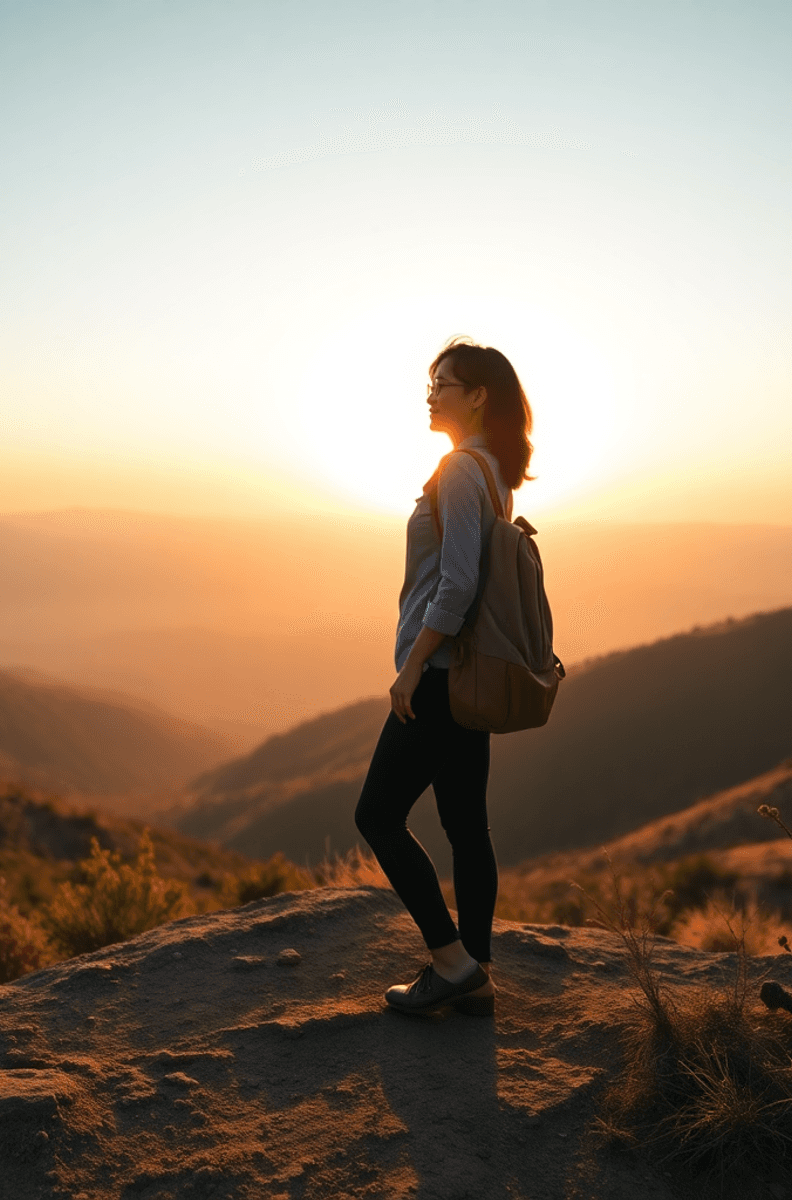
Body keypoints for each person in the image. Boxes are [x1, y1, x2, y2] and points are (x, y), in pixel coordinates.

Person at [354, 337, 534, 1016]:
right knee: (466, 827)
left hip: (437, 675)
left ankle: (450, 962)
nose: (430, 393)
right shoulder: (494, 470)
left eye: (442, 383)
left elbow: (457, 586)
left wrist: (409, 669)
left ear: (477, 396)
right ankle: (476, 969)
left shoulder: (459, 470)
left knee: (376, 814)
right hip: (471, 678)